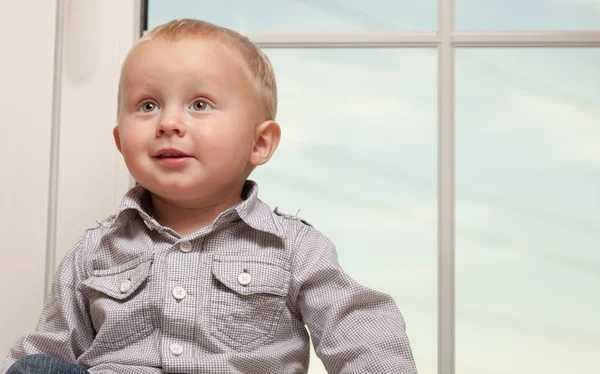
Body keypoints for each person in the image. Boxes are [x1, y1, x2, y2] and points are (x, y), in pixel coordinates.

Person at [3, 18, 418, 374]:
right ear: (120, 140)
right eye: (147, 106)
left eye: (200, 104)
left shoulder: (293, 247)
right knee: (34, 367)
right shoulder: (96, 250)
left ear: (260, 143)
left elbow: (360, 326)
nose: (168, 122)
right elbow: (51, 347)